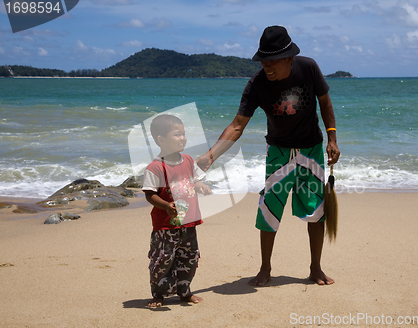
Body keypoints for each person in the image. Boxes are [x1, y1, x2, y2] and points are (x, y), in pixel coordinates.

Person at [196, 26, 340, 286]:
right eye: (263, 61)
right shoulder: (257, 84)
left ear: (289, 58)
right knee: (269, 209)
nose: (267, 67)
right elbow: (238, 124)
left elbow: (325, 102)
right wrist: (210, 156)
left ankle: (316, 268)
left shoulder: (308, 68)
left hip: (311, 149)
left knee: (317, 210)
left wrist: (332, 137)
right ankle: (265, 269)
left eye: (273, 61)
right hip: (278, 152)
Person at [142, 114, 212, 308]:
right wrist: (165, 205)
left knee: (189, 257)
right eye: (177, 134)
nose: (182, 138)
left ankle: (184, 291)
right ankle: (158, 294)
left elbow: (195, 180)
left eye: (183, 134)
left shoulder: (188, 160)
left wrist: (201, 187)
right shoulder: (155, 167)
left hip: (188, 222)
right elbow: (149, 194)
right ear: (161, 140)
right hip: (165, 226)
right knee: (162, 260)